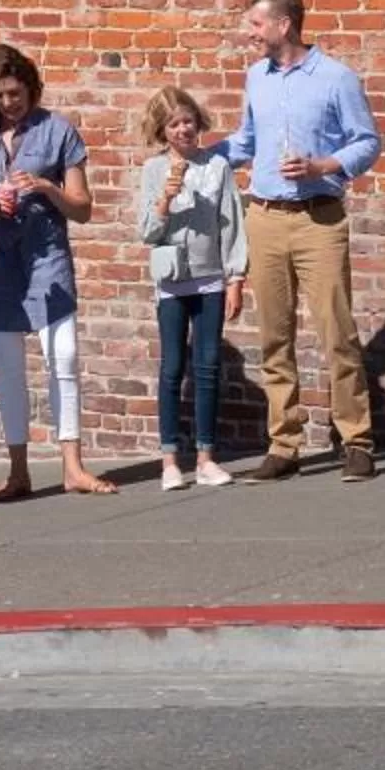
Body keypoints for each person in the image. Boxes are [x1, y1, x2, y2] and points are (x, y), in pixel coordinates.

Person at [226, 0, 382, 481]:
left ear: (283, 25)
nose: (248, 32)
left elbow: (368, 142)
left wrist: (323, 165)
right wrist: (201, 156)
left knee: (336, 332)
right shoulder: (257, 78)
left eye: (255, 23)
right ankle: (284, 444)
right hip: (265, 217)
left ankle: (356, 439)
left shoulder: (336, 78)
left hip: (319, 217)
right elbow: (246, 141)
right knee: (275, 336)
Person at [0, 42, 114, 501]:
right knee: (7, 370)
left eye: (15, 94)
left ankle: (73, 467)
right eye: (0, 96)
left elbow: (82, 209)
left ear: (32, 89)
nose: (8, 103)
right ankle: (18, 470)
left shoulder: (58, 131)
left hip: (46, 255)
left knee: (63, 357)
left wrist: (45, 187)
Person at [137, 84, 247, 490]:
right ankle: (169, 460)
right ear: (162, 130)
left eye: (188, 120)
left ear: (198, 122)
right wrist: (164, 199)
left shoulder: (216, 167)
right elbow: (147, 232)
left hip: (210, 279)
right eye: (174, 123)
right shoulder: (153, 170)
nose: (183, 129)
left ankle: (206, 457)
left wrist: (235, 277)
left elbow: (231, 224)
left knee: (208, 367)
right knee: (171, 369)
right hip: (171, 281)